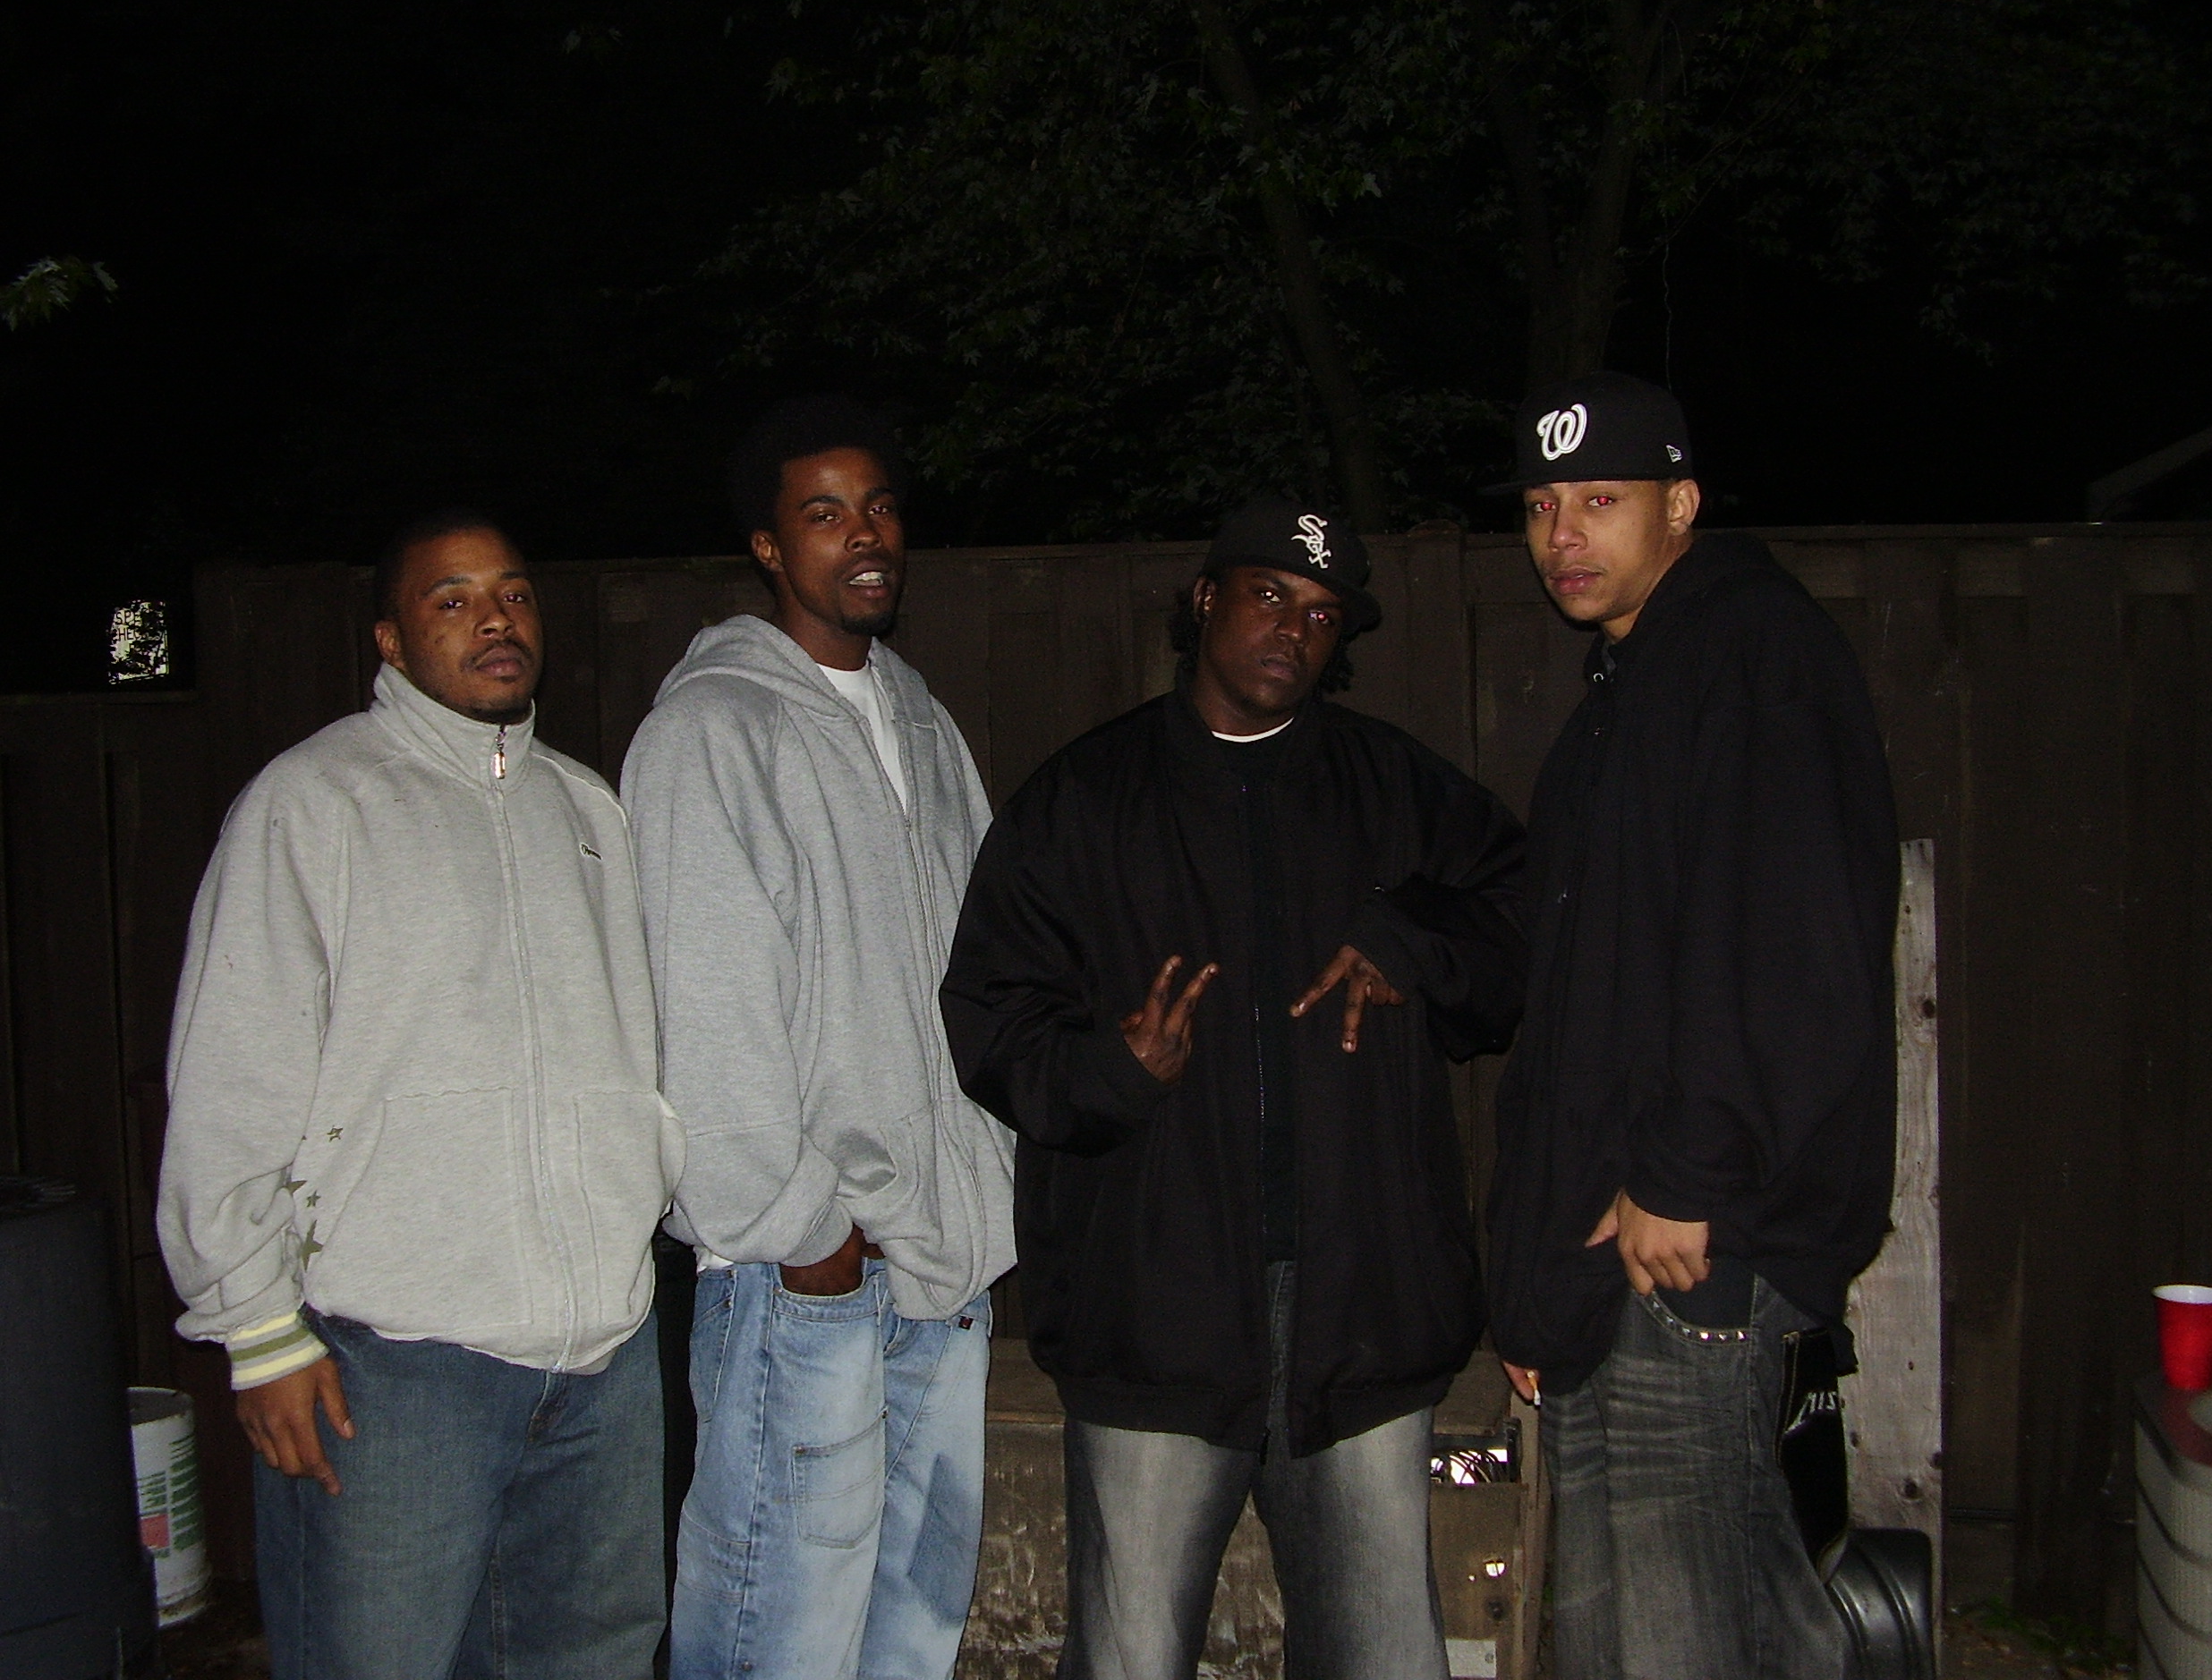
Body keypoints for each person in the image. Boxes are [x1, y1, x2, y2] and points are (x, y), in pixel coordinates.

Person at [940, 499, 1531, 1680]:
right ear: (1207, 599)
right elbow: (989, 1018)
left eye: (1321, 614)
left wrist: (1414, 943)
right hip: (1154, 1313)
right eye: (1269, 595)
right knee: (1131, 1654)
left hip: (1360, 1314)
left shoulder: (1394, 788)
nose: (1292, 630)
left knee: (1382, 1655)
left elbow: (1522, 932)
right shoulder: (1083, 800)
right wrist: (1109, 1073)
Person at [157, 513, 682, 1680]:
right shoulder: (314, 805)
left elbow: (633, 1055)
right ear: (391, 640)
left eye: (514, 594)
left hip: (602, 1364)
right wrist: (257, 1334)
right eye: (453, 600)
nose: (495, 618)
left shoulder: (587, 809)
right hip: (393, 1371)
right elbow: (230, 1079)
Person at [1481, 370, 1899, 1678]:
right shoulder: (1621, 699)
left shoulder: (1755, 654)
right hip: (1606, 1256)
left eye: (1600, 501)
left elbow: (1797, 949)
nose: (1563, 536)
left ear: (1682, 505)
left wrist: (1688, 1172)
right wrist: (1534, 1289)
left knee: (1681, 1631)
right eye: (1541, 507)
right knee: (1645, 1623)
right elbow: (1579, 1013)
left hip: (1696, 1246)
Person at [621, 395, 1013, 1680]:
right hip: (803, 1280)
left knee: (912, 1633)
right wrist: (808, 1237)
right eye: (825, 513)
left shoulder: (924, 726)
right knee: (775, 1636)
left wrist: (988, 1182)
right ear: (769, 547)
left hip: (940, 1267)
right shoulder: (711, 731)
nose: (865, 535)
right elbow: (704, 1017)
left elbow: (979, 969)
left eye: (880, 506)